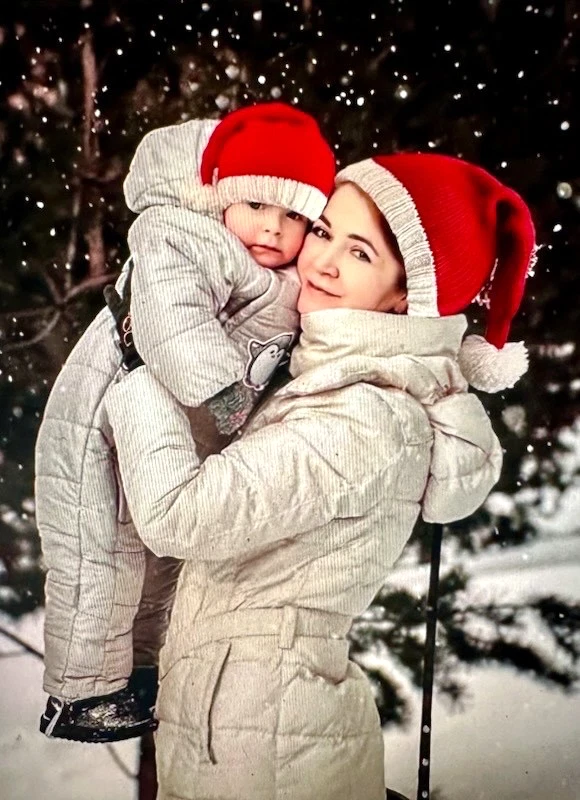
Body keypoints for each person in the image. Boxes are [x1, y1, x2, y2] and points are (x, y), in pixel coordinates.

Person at [104, 152, 535, 800]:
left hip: (272, 753)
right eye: (325, 231)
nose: (321, 261)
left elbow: (180, 514)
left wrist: (139, 372)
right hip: (243, 732)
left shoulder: (368, 417)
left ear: (406, 294)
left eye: (360, 253)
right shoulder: (320, 382)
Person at [35, 102, 336, 743]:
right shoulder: (184, 237)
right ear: (222, 195)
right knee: (99, 555)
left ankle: (141, 674)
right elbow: (173, 323)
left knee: (160, 563)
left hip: (166, 432)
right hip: (100, 421)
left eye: (293, 216)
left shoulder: (284, 275)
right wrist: (225, 396)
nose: (273, 227)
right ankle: (80, 693)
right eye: (256, 204)